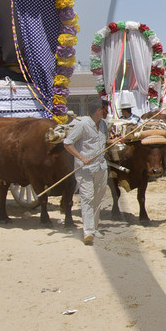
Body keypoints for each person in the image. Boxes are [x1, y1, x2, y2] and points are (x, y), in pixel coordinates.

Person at [63, 98, 109, 245]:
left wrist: (114, 142)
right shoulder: (82, 125)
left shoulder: (103, 125)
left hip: (101, 167)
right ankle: (88, 231)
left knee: (98, 198)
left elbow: (104, 142)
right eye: (105, 110)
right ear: (99, 111)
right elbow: (67, 143)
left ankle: (94, 228)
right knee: (87, 198)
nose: (107, 113)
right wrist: (82, 157)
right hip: (85, 170)